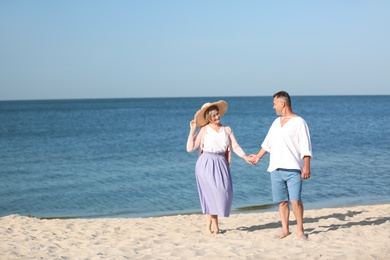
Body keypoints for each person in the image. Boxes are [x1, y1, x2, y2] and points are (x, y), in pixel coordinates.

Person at [250, 91, 312, 239]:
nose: (273, 107)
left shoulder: (299, 122)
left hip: (293, 169)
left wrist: (306, 166)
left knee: (295, 201)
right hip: (275, 169)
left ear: (282, 103)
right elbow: (267, 143)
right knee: (282, 202)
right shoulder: (275, 123)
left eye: (274, 103)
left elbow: (306, 146)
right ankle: (285, 230)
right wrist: (258, 156)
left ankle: (300, 230)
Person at [186, 100, 253, 235]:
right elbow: (190, 148)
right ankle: (211, 227)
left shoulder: (227, 130)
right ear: (208, 118)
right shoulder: (204, 130)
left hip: (221, 163)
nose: (217, 117)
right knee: (210, 195)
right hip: (205, 164)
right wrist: (192, 130)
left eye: (217, 114)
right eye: (213, 116)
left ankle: (213, 227)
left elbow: (235, 146)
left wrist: (245, 157)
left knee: (221, 193)